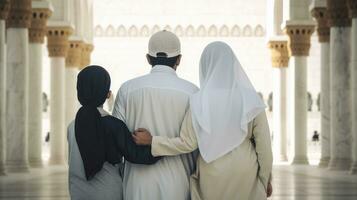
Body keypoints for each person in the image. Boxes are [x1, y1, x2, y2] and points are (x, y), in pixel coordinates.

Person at [133, 41, 274, 200]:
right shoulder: (250, 99)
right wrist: (264, 179)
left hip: (212, 171)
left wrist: (153, 141)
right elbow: (264, 148)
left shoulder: (199, 101)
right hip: (245, 170)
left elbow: (187, 143)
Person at [112, 30, 199, 200]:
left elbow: (117, 139)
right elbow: (196, 143)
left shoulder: (127, 89)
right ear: (179, 59)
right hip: (179, 185)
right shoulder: (193, 93)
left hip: (136, 185)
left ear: (148, 58)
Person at [67, 65, 160, 200]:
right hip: (108, 192)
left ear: (79, 92)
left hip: (77, 193)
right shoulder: (113, 125)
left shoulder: (72, 126)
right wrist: (160, 143)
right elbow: (136, 155)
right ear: (108, 94)